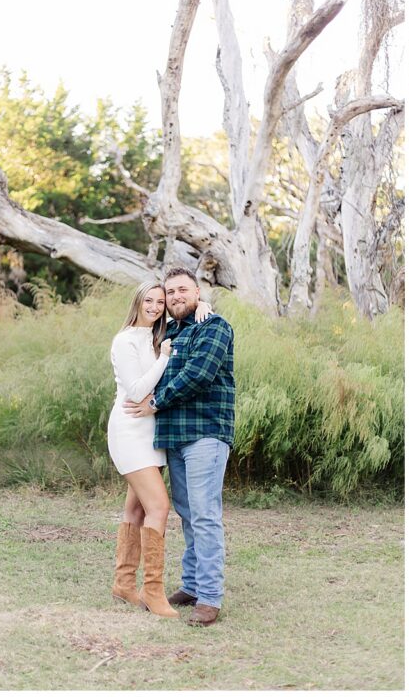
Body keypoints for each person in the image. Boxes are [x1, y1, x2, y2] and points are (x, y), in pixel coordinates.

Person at [124, 267, 236, 627]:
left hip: (205, 433)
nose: (174, 297)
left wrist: (156, 402)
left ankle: (209, 597)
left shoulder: (215, 327)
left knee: (204, 515)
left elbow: (199, 375)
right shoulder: (168, 332)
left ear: (198, 292)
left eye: (182, 291)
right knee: (188, 514)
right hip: (173, 437)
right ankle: (190, 585)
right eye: (169, 293)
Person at [108, 281, 211, 618]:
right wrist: (164, 358)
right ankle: (152, 591)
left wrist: (203, 305)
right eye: (148, 300)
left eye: (160, 301)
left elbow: (190, 315)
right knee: (160, 507)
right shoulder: (125, 340)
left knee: (136, 511)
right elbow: (137, 391)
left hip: (152, 435)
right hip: (130, 430)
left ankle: (124, 583)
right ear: (137, 301)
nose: (154, 306)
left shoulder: (158, 337)